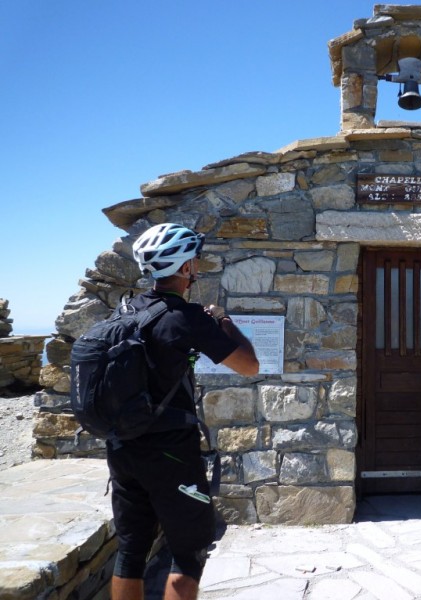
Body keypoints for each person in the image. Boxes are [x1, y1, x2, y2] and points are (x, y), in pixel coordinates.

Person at [109, 223, 259, 600]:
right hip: (171, 450)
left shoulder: (124, 311)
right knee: (187, 554)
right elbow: (249, 365)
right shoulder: (189, 318)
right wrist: (223, 322)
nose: (197, 265)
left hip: (122, 446)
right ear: (185, 268)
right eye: (194, 259)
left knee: (130, 552)